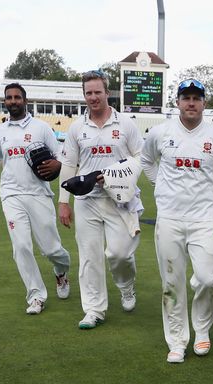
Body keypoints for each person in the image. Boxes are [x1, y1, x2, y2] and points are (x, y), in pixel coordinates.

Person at [141, 79, 213, 363]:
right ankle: (178, 339)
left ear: (204, 103)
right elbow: (146, 162)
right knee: (172, 281)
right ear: (178, 102)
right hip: (170, 217)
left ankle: (202, 330)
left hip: (205, 219)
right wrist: (161, 188)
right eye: (186, 98)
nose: (191, 103)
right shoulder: (161, 133)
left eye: (196, 98)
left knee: (207, 278)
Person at [0, 83, 70, 315]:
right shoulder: (1, 130)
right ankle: (36, 296)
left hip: (39, 194)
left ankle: (61, 272)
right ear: (5, 101)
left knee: (52, 249)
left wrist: (57, 165)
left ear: (25, 100)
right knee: (21, 246)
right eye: (9, 98)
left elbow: (61, 155)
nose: (13, 101)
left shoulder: (41, 128)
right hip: (11, 194)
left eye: (17, 97)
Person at [58, 70, 144, 330]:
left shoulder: (126, 124)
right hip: (87, 201)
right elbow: (69, 163)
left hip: (118, 200)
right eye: (88, 93)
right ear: (84, 95)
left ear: (107, 93)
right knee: (89, 256)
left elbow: (141, 158)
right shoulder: (77, 128)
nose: (93, 97)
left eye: (98, 92)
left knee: (120, 254)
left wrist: (116, 175)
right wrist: (63, 201)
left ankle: (126, 286)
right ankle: (94, 310)